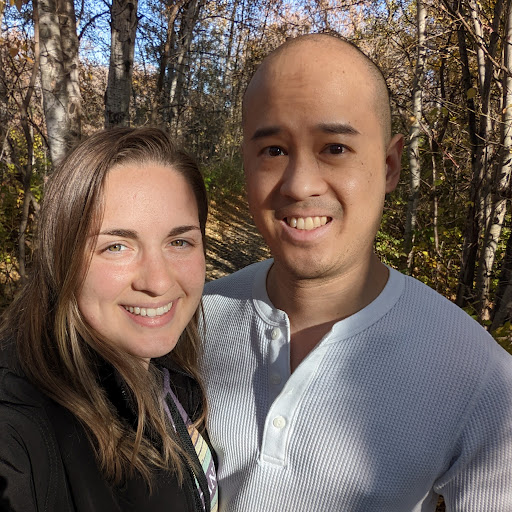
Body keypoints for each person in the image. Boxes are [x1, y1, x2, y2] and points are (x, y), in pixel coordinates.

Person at [200, 34, 512, 511]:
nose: (300, 184)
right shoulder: (191, 323)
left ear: (389, 166)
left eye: (335, 147)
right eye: (274, 151)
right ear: (246, 163)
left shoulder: (478, 377)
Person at [0, 127, 218, 512]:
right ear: (62, 258)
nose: (158, 282)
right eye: (116, 246)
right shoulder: (20, 424)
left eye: (179, 242)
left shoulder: (169, 373)